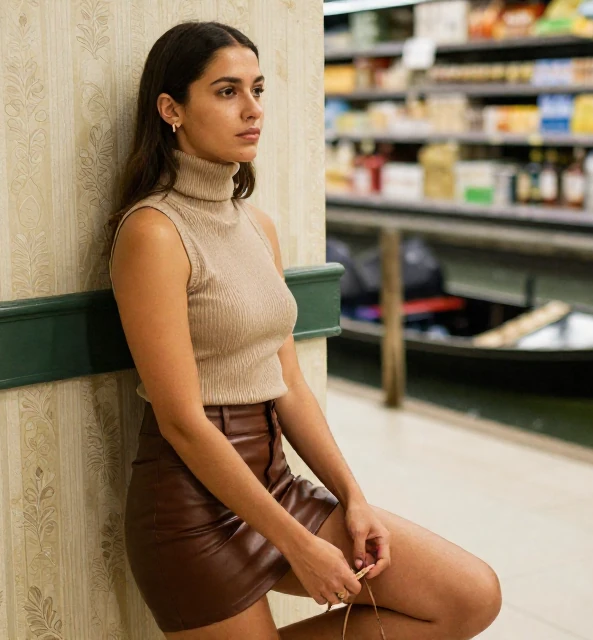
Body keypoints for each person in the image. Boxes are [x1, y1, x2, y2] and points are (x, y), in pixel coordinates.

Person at [108, 21, 502, 639]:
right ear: (171, 109)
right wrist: (298, 544)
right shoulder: (153, 232)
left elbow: (288, 383)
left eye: (257, 89)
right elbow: (183, 421)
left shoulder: (256, 226)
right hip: (189, 511)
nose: (253, 110)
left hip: (275, 484)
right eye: (227, 91)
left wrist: (354, 497)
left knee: (468, 596)